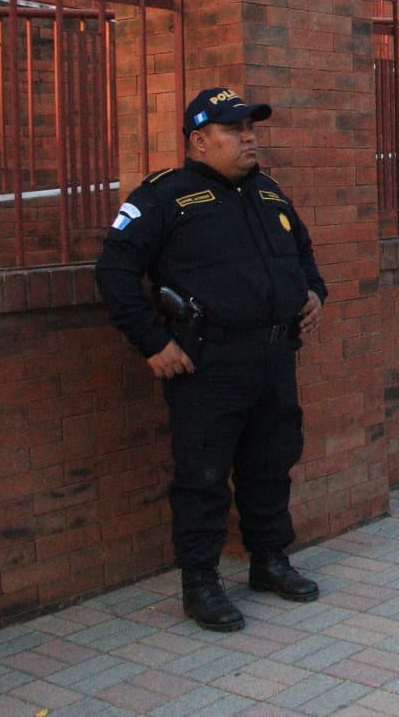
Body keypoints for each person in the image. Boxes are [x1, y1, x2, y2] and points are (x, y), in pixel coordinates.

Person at [95, 88, 327, 632]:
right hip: (209, 362)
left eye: (251, 128)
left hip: (273, 356)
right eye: (234, 129)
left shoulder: (269, 194)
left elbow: (305, 257)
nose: (249, 138)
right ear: (199, 140)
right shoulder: (164, 196)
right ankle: (199, 583)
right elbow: (114, 273)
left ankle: (268, 561)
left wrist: (316, 293)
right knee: (202, 475)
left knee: (270, 464)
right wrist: (152, 341)